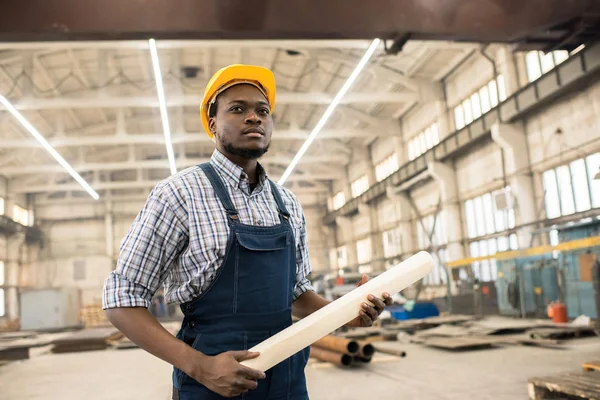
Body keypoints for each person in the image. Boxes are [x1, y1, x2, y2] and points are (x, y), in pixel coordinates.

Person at [102, 64, 393, 399]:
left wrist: (346, 313)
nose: (254, 117)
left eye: (263, 111)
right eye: (237, 109)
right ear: (212, 124)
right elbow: (122, 299)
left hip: (286, 381)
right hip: (211, 383)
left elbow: (296, 296)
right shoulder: (179, 194)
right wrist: (200, 367)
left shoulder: (287, 203)